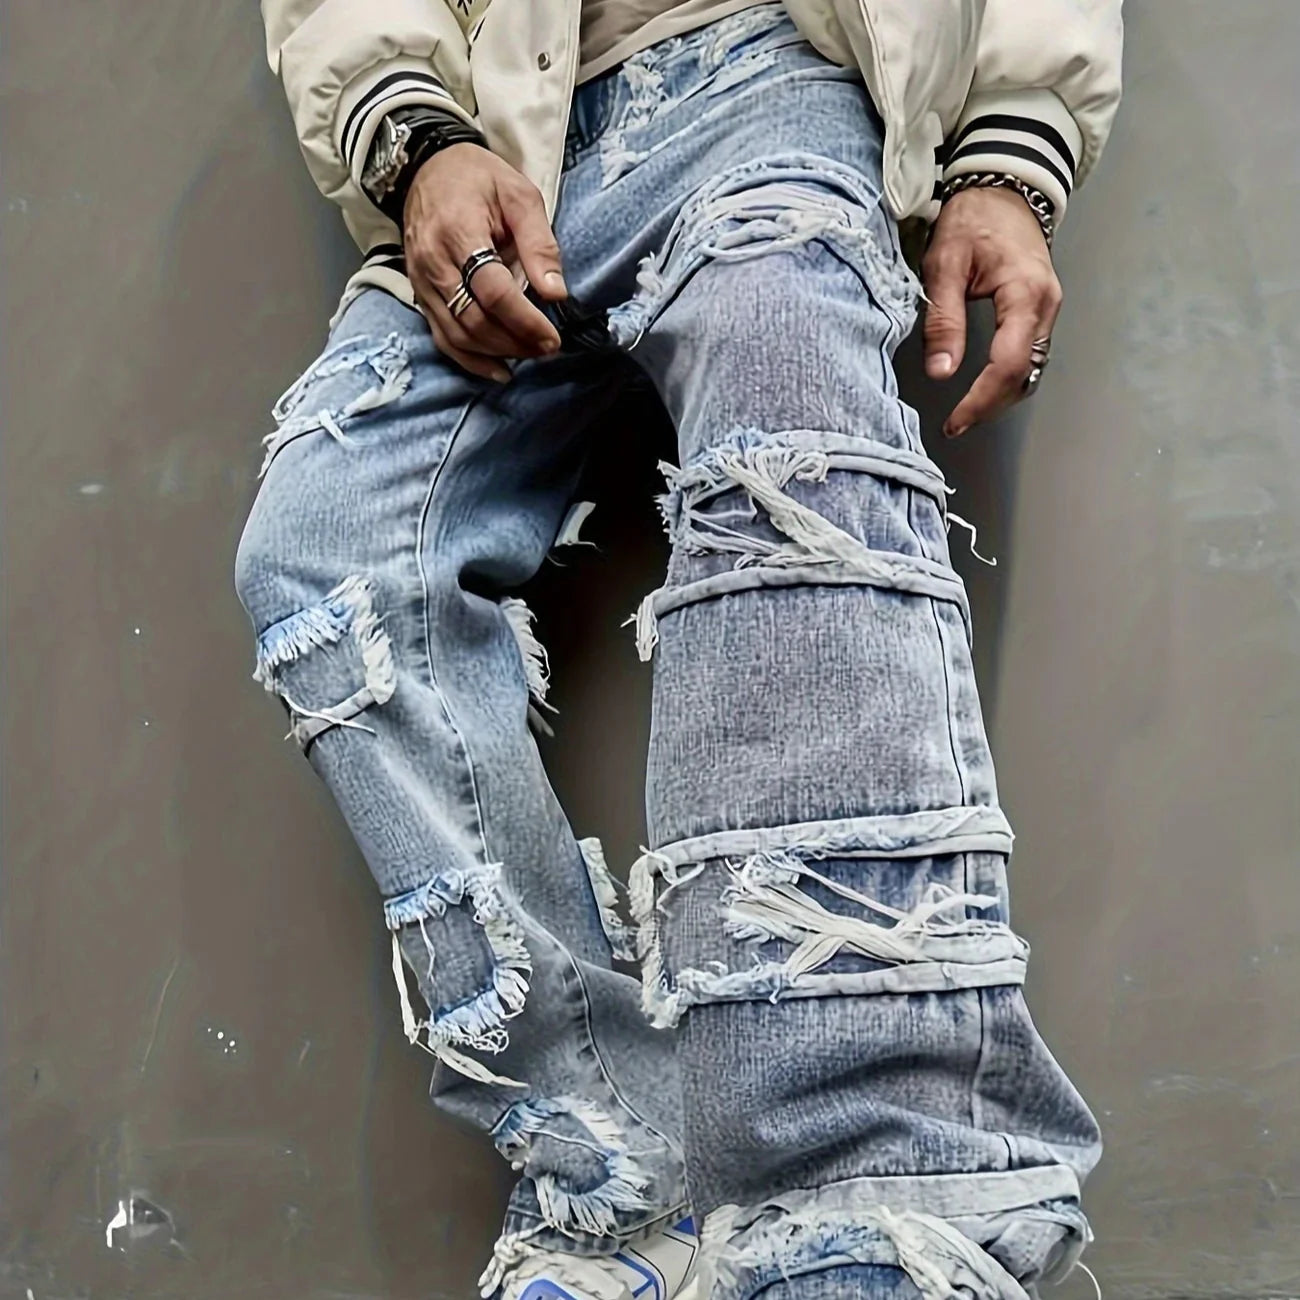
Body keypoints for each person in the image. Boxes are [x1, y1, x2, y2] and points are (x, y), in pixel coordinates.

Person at [236, 2, 1122, 1297]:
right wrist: (414, 141)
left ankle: (865, 1196)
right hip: (505, 138)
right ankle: (619, 1179)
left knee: (785, 441)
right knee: (322, 551)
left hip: (772, 75)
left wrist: (1009, 155)